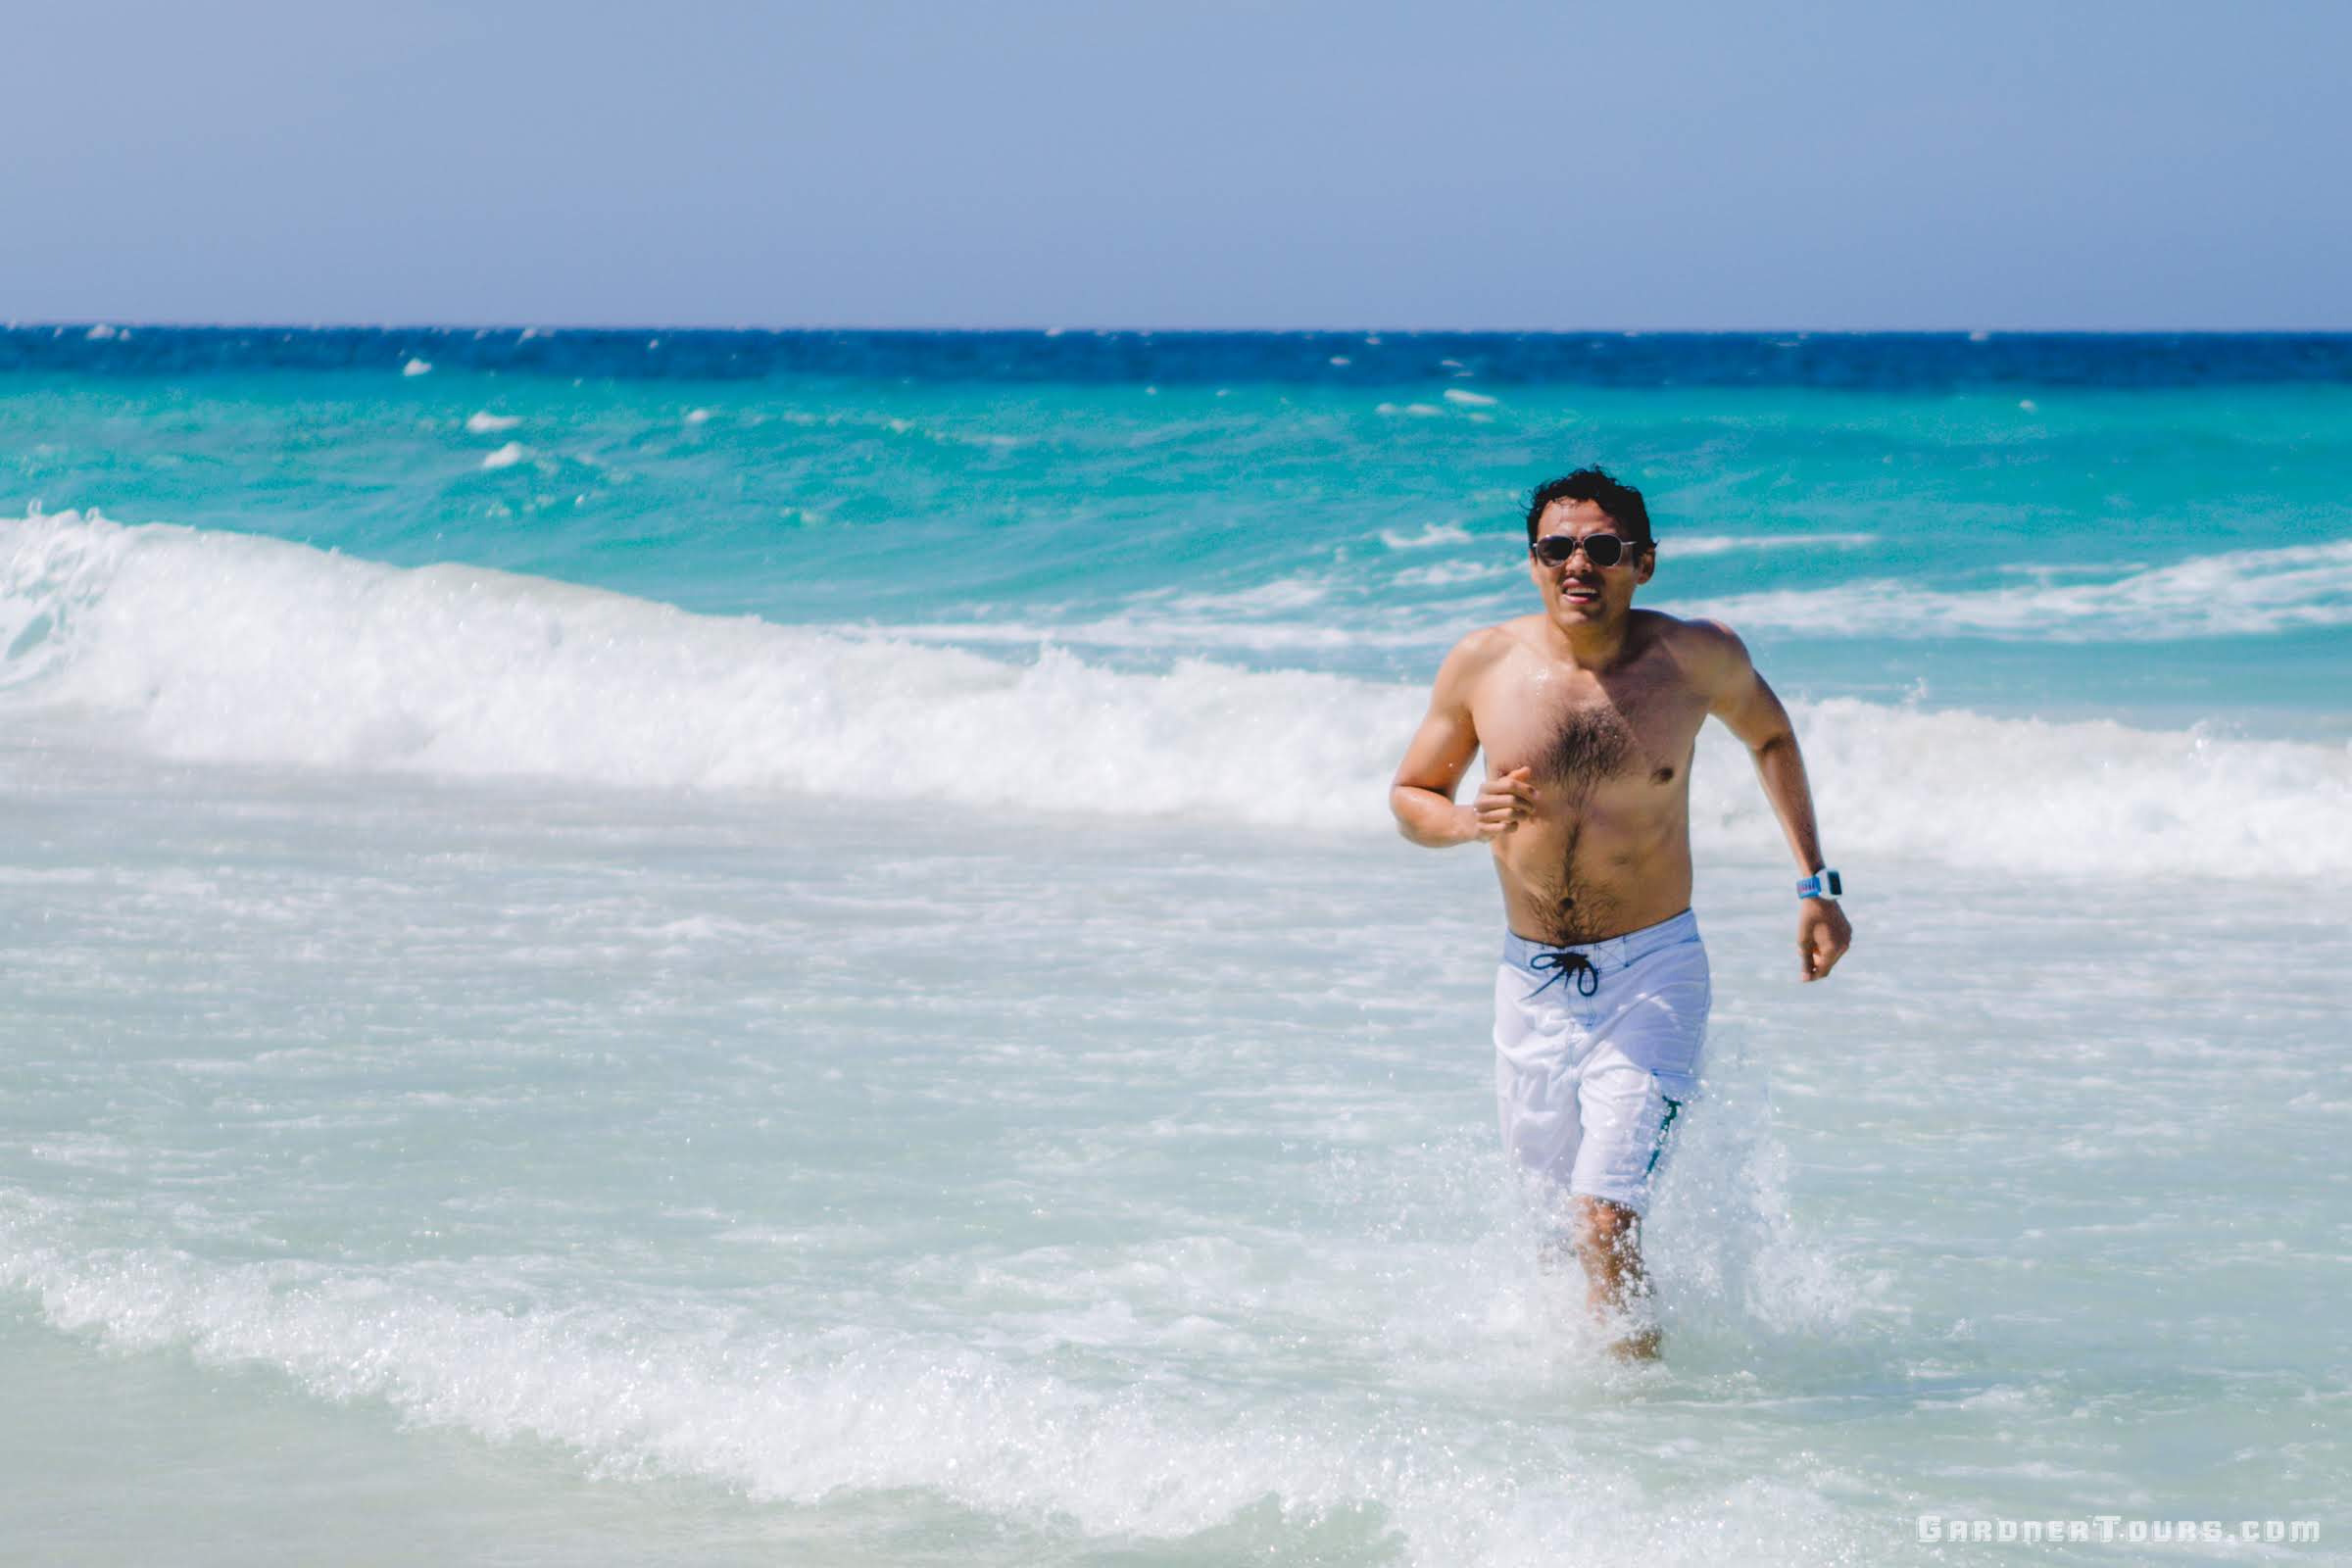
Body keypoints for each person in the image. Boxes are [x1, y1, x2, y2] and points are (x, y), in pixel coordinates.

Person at [1389, 466, 1852, 1359]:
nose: (1578, 565)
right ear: (1532, 562)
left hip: (1654, 974)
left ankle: (1645, 1419)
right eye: (1557, 548)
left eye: (1602, 549)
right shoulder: (1483, 664)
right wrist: (1461, 821)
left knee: (1603, 1220)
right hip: (1528, 985)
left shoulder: (1694, 658)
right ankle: (1602, 1419)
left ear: (1643, 562)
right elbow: (1413, 794)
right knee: (1557, 1241)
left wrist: (1816, 888)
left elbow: (1771, 734)